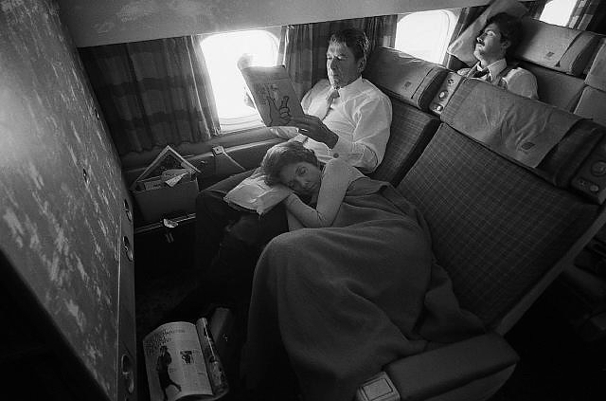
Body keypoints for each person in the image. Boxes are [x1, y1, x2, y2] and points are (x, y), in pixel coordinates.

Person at [242, 141, 484, 401]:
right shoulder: (305, 198)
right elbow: (300, 238)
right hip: (360, 241)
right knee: (287, 254)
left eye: (302, 171)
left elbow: (320, 222)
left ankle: (273, 362)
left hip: (391, 238)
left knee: (281, 249)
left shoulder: (335, 167)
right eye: (292, 183)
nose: (302, 183)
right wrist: (288, 198)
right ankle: (283, 357)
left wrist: (286, 197)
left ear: (312, 159)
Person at [193, 27, 392, 302]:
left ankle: (206, 298)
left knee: (242, 235)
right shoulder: (320, 89)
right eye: (329, 57)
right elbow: (292, 132)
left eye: (341, 58)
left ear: (360, 64)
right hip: (284, 163)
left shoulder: (373, 101)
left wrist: (330, 138)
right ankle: (204, 278)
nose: (332, 65)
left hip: (310, 178)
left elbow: (370, 159)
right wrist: (262, 109)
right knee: (207, 200)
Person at [458, 12, 538, 99]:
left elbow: (526, 108)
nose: (479, 38)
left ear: (505, 44)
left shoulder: (519, 78)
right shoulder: (461, 74)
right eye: (482, 33)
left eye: (490, 34)